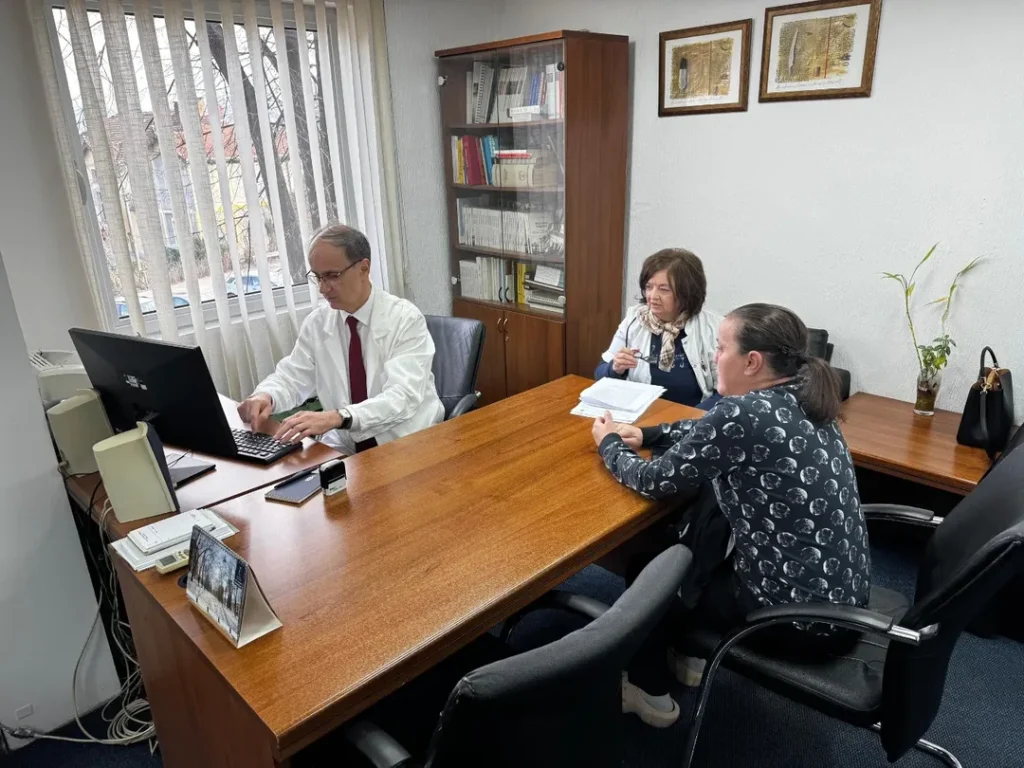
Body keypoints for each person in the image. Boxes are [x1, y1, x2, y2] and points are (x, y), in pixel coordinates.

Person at [592, 303, 870, 727]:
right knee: (704, 539)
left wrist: (609, 444)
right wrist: (649, 433)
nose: (714, 356)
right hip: (842, 604)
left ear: (752, 361)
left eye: (721, 349)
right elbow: (710, 430)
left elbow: (652, 479)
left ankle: (650, 695)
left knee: (649, 571)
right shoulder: (806, 394)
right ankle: (689, 657)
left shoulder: (743, 413)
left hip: (796, 622)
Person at [237, 224, 444, 454]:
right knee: (291, 469)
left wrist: (338, 417)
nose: (322, 289)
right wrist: (266, 395)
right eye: (318, 277)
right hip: (347, 445)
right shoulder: (318, 323)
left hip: (407, 443)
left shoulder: (405, 319)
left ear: (364, 269)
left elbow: (402, 398)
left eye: (332, 276)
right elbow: (292, 377)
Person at [595, 249, 722, 409]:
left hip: (692, 418)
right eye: (649, 287)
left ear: (687, 293)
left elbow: (727, 392)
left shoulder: (713, 328)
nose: (652, 296)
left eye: (664, 290)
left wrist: (692, 419)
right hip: (639, 413)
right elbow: (600, 374)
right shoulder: (635, 319)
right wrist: (615, 368)